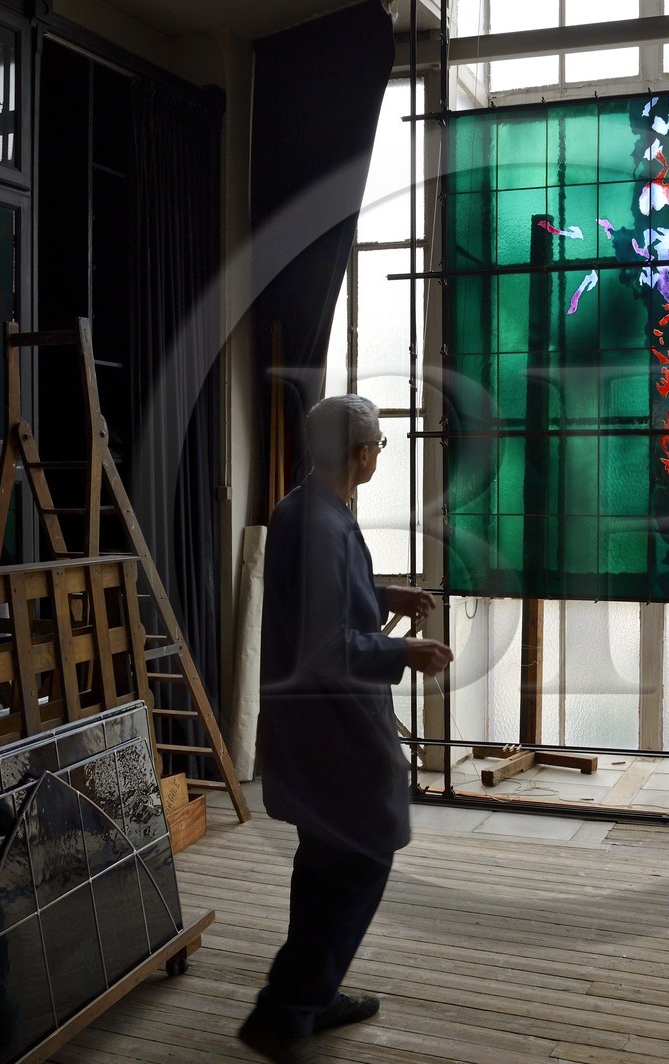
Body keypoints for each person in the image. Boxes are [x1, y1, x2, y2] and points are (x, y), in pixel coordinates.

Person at [238, 394, 453, 1063]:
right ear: (359, 452)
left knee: (325, 860)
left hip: (309, 726)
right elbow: (326, 645)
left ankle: (313, 994)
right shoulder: (323, 523)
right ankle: (288, 1008)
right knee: (361, 853)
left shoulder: (304, 508)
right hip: (332, 728)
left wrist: (382, 598)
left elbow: (320, 602)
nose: (378, 455)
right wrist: (404, 651)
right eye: (379, 445)